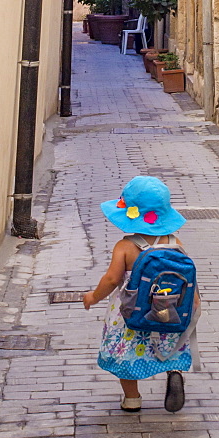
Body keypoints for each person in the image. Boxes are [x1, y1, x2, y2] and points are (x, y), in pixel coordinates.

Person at [83, 175, 200, 413]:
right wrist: (194, 303)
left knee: (125, 355)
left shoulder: (125, 246)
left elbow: (112, 279)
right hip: (170, 312)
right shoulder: (174, 241)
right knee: (169, 345)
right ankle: (174, 371)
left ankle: (132, 398)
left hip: (131, 315)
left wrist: (93, 297)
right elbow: (188, 277)